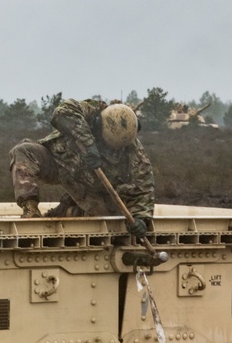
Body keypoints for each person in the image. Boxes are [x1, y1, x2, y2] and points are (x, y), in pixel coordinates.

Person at [9, 98, 154, 239]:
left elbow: (144, 189)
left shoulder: (136, 154)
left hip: (90, 189)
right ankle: (30, 209)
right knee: (24, 151)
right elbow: (61, 112)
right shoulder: (93, 110)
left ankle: (70, 210)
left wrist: (141, 218)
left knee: (102, 226)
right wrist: (88, 143)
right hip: (61, 161)